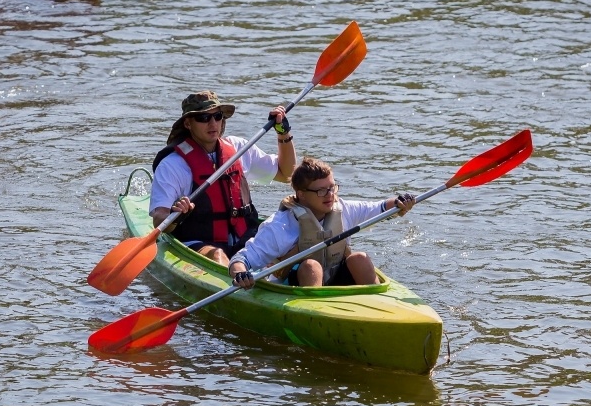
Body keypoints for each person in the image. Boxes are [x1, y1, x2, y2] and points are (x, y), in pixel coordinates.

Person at [149, 90, 296, 266]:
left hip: (244, 237)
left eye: (217, 116)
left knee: (290, 248)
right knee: (218, 256)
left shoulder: (239, 148)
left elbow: (286, 173)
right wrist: (176, 214)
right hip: (200, 243)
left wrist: (283, 132)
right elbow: (159, 220)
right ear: (188, 123)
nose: (213, 123)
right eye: (203, 118)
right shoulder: (173, 164)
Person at [229, 157, 416, 289]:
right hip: (296, 285)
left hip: (334, 277)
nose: (330, 195)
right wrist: (240, 274)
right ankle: (312, 317)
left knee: (360, 258)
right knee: (311, 266)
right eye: (321, 191)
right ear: (301, 194)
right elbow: (241, 260)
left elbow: (381, 208)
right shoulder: (279, 226)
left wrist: (400, 202)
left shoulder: (343, 208)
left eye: (332, 188)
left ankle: (379, 305)